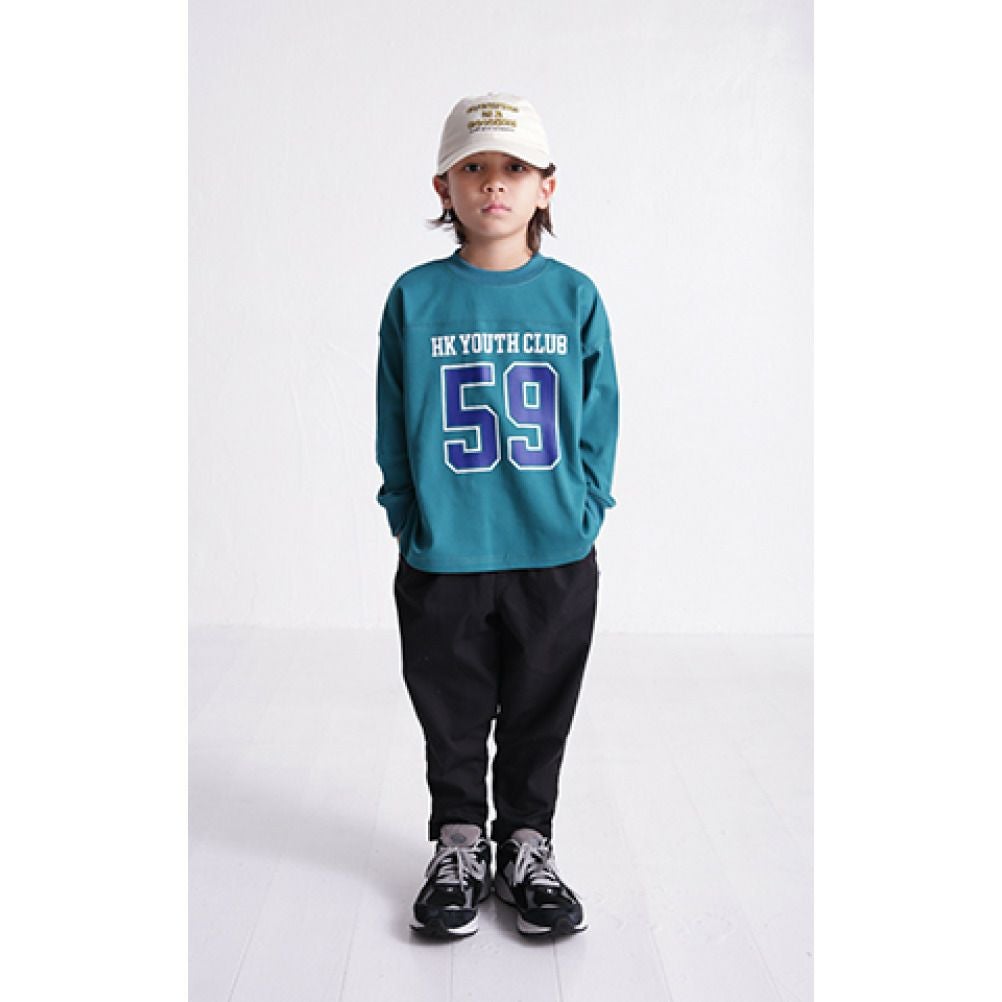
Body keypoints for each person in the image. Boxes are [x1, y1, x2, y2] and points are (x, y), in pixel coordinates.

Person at [374, 92, 619, 939]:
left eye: (513, 167)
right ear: (443, 187)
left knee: (540, 711)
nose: (493, 184)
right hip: (446, 554)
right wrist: (408, 515)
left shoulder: (574, 296)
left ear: (546, 186)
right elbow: (393, 416)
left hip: (552, 551)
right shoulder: (415, 298)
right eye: (473, 167)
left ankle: (526, 845)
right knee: (450, 713)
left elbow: (598, 416)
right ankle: (458, 844)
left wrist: (585, 509)